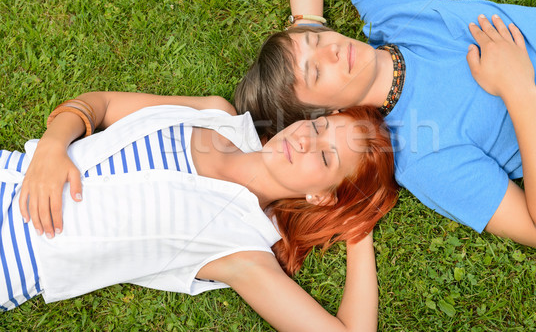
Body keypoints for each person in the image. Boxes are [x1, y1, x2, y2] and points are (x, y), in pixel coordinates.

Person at [235, 0, 536, 251]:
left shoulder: (395, 18)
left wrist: (303, 28)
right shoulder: (423, 154)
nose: (329, 51)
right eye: (315, 73)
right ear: (326, 113)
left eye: (318, 40)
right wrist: (519, 89)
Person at [1, 91, 398, 332]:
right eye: (320, 126)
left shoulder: (241, 249)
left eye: (326, 157)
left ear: (322, 196)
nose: (305, 138)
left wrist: (357, 224)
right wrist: (53, 148)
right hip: (10, 172)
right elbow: (99, 105)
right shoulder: (217, 115)